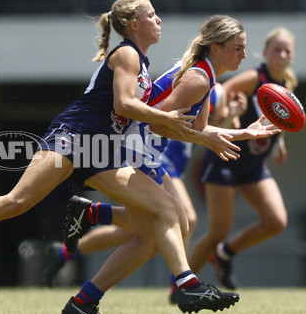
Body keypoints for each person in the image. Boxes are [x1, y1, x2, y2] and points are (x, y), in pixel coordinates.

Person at [0, 0, 249, 314]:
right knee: (18, 201)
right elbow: (124, 105)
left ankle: (86, 302)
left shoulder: (142, 61)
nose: (158, 20)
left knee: (156, 226)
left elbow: (146, 117)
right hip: (74, 137)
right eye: (151, 15)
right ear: (132, 25)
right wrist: (171, 121)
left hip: (102, 150)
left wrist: (226, 132)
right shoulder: (127, 54)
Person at [57, 16, 280, 314]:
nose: (243, 55)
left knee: (164, 232)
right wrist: (207, 142)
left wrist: (243, 133)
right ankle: (187, 285)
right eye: (237, 48)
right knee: (168, 221)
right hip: (134, 150)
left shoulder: (206, 77)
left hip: (147, 152)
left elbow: (200, 129)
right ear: (215, 48)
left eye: (244, 48)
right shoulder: (199, 79)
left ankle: (84, 294)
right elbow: (159, 123)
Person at [42, 82, 245, 294]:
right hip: (160, 159)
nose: (241, 55)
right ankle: (180, 285)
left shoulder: (217, 92)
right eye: (236, 48)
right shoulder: (189, 81)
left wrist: (232, 116)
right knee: (186, 218)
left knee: (133, 234)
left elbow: (207, 134)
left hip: (174, 163)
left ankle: (73, 240)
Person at [189, 26, 298, 289]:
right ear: (265, 53)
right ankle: (181, 283)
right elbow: (221, 91)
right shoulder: (253, 78)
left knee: (276, 221)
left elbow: (279, 118)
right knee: (217, 231)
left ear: (292, 56)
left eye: (287, 51)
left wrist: (279, 142)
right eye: (277, 50)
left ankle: (224, 254)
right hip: (225, 157)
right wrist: (231, 115)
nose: (281, 55)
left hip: (252, 164)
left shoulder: (288, 84)